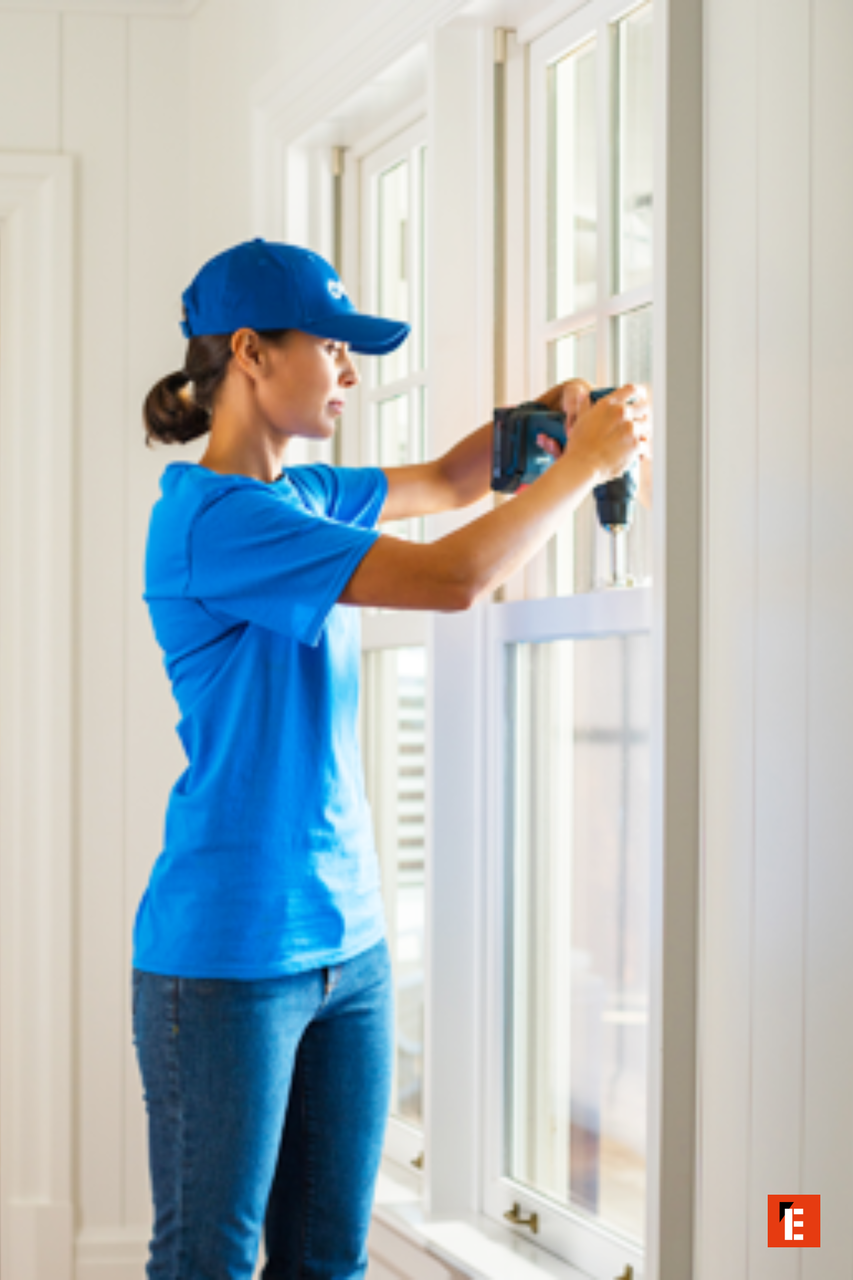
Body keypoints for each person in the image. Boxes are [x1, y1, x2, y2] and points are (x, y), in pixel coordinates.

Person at [131, 238, 649, 1280]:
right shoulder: (214, 521)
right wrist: (583, 467)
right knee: (208, 1263)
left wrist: (542, 420)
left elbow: (452, 479)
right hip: (229, 955)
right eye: (331, 348)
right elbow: (455, 577)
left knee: (329, 1259)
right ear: (250, 352)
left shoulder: (306, 496)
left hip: (350, 941)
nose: (351, 374)